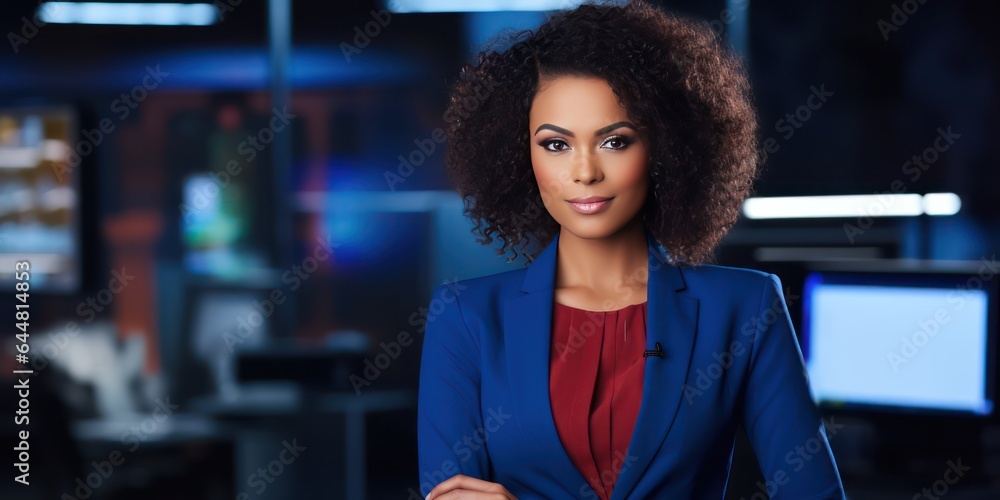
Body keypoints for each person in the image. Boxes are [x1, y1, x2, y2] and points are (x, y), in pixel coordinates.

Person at [417, 1, 846, 498]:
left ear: (665, 146)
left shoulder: (744, 305)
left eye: (615, 141)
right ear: (520, 156)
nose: (584, 172)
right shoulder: (465, 317)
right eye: (556, 145)